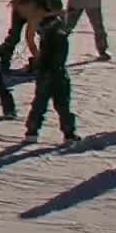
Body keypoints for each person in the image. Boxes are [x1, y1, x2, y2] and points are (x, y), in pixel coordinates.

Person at [23, 15, 79, 146]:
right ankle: (68, 133)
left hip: (46, 75)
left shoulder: (48, 37)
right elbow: (57, 58)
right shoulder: (58, 37)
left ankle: (32, 132)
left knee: (39, 104)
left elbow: (47, 57)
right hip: (57, 74)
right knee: (62, 105)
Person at [0, 0, 62, 73]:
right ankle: (4, 57)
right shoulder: (36, 13)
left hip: (31, 10)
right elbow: (29, 38)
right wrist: (37, 56)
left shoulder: (52, 4)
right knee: (14, 37)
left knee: (46, 34)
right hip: (19, 12)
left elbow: (57, 13)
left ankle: (44, 58)